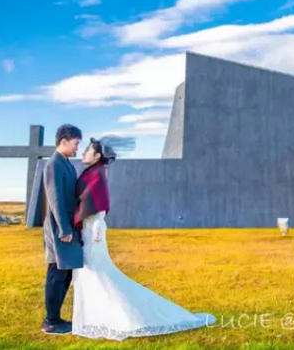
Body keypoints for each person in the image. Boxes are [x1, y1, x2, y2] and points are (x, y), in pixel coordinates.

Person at [71, 137, 216, 341]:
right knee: (92, 272)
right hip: (89, 230)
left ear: (97, 156)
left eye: (87, 150)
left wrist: (93, 227)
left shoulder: (97, 174)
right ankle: (97, 316)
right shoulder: (93, 172)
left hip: (93, 232)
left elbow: (98, 204)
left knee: (97, 272)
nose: (83, 152)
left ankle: (121, 317)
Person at [41, 124, 84, 335]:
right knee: (57, 274)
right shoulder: (54, 164)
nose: (77, 148)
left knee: (65, 273)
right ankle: (51, 322)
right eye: (76, 143)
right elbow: (55, 199)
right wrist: (64, 229)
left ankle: (56, 318)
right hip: (59, 228)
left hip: (67, 227)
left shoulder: (66, 163)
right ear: (64, 141)